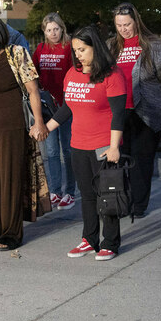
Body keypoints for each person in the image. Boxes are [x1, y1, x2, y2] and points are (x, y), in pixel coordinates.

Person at [0, 12, 50, 251]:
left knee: (10, 179)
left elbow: (33, 90)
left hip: (11, 127)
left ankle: (11, 233)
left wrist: (39, 123)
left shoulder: (16, 53)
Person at [46, 25, 128, 260]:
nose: (78, 54)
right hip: (78, 144)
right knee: (87, 194)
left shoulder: (113, 75)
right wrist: (46, 128)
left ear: (95, 47)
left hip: (103, 145)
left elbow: (118, 114)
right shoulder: (72, 73)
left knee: (107, 194)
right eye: (75, 50)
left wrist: (114, 147)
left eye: (82, 49)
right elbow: (67, 107)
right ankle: (89, 239)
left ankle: (110, 243)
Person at [109, 3, 161, 217]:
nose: (124, 29)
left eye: (127, 24)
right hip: (119, 113)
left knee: (141, 161)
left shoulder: (152, 46)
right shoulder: (112, 47)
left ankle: (138, 205)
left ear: (136, 22)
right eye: (119, 25)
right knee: (121, 159)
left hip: (147, 112)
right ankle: (122, 202)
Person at [32, 12, 76, 210]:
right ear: (44, 32)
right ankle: (56, 191)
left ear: (62, 28)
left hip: (66, 105)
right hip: (47, 107)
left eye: (56, 29)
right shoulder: (40, 49)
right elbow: (32, 74)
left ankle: (70, 192)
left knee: (67, 150)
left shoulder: (69, 47)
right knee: (50, 152)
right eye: (49, 30)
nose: (53, 33)